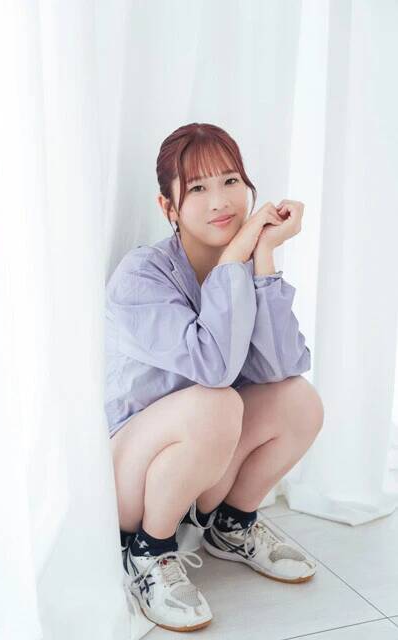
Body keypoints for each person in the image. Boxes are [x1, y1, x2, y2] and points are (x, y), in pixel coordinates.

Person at [105, 122, 324, 632]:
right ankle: (149, 552)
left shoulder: (242, 270)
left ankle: (231, 526)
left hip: (202, 465)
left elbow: (281, 368)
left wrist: (262, 258)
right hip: (131, 474)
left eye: (230, 181)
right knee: (218, 400)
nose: (221, 201)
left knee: (299, 400)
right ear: (168, 207)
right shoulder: (141, 276)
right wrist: (233, 258)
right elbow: (214, 368)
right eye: (198, 188)